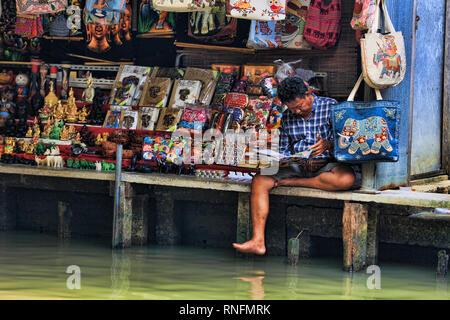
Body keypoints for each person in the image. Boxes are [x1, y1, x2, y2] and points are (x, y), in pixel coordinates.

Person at [232, 76, 361, 255]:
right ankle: (258, 241)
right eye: (293, 109)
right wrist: (284, 159)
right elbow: (284, 149)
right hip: (297, 166)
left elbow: (349, 139)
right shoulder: (286, 117)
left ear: (309, 94)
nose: (298, 112)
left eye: (300, 106)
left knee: (347, 179)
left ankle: (289, 182)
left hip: (327, 164)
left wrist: (329, 144)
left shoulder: (332, 106)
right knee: (259, 180)